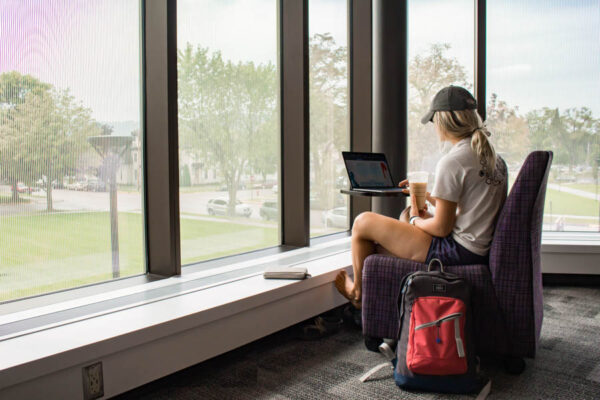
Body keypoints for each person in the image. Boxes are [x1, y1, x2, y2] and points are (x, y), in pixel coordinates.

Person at [335, 86, 507, 308]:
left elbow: (442, 228)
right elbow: (474, 205)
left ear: (442, 122)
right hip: (477, 248)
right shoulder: (493, 157)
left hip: (458, 251)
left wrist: (417, 220)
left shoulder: (453, 161)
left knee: (362, 223)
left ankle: (357, 294)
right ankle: (374, 300)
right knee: (381, 246)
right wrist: (427, 198)